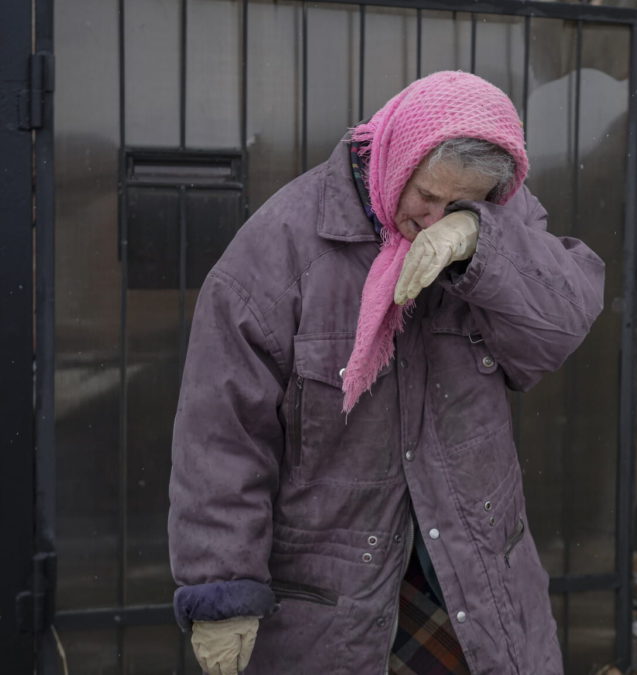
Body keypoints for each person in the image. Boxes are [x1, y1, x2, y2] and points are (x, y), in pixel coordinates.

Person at [168, 71, 605, 675]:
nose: (430, 219)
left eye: (458, 204)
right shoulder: (279, 252)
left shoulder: (500, 219)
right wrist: (222, 587)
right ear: (399, 153)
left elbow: (559, 326)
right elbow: (221, 437)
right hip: (334, 602)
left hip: (475, 583)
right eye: (425, 194)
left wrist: (480, 244)